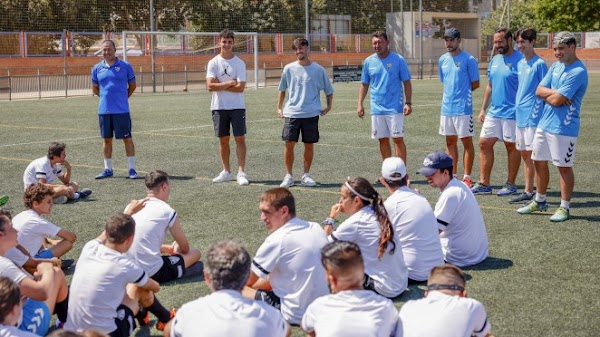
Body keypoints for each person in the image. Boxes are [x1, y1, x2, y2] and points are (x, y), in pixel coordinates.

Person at [518, 31, 588, 222]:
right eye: (555, 49)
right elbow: (538, 90)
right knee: (539, 162)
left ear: (572, 47)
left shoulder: (578, 71)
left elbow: (557, 101)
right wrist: (556, 92)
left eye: (561, 49)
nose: (557, 53)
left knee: (563, 167)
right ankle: (540, 200)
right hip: (544, 124)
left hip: (564, 128)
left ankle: (564, 207)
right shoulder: (555, 66)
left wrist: (552, 95)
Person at [65, 206, 164, 337]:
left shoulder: (89, 247)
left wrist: (127, 212)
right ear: (129, 240)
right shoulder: (124, 265)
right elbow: (155, 287)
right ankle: (167, 319)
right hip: (106, 334)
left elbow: (103, 235)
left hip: (70, 332)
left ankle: (143, 315)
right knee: (138, 286)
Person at [164, 240, 289, 337]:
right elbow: (286, 330)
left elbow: (168, 330)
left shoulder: (188, 312)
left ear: (207, 277)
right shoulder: (269, 314)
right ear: (246, 277)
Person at [243, 188, 329, 325]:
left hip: (296, 313)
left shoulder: (277, 240)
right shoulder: (315, 227)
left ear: (284, 211)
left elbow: (245, 281)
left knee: (234, 288)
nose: (262, 218)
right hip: (325, 309)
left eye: (266, 212)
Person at [126, 170, 200, 330]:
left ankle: (143, 312)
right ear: (164, 186)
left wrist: (166, 248)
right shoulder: (167, 210)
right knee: (196, 254)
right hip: (152, 271)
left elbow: (136, 240)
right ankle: (158, 316)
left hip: (128, 269)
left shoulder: (131, 207)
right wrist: (175, 248)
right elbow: (185, 248)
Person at [323, 177, 407, 298]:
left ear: (357, 201)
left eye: (343, 197)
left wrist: (331, 219)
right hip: (400, 283)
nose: (340, 201)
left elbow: (323, 245)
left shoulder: (356, 222)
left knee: (332, 264)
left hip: (383, 288)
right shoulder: (380, 213)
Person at [301, 240, 399, 337]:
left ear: (332, 279)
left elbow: (308, 329)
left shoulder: (318, 307)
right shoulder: (385, 306)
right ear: (363, 272)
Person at [0, 208, 70, 336]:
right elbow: (41, 293)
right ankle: (67, 325)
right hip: (19, 328)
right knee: (56, 275)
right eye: (11, 228)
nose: (16, 231)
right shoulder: (3, 265)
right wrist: (47, 269)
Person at [472, 28, 523, 196]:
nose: (497, 45)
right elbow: (490, 85)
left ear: (510, 40)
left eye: (500, 41)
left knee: (511, 147)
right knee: (484, 143)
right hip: (494, 112)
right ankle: (484, 184)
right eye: (495, 42)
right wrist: (482, 109)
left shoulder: (521, 60)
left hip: (513, 113)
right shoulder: (494, 60)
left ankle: (511, 184)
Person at [277, 38, 334, 187]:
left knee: (309, 145)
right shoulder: (288, 68)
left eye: (301, 48)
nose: (298, 52)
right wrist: (279, 107)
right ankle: (289, 176)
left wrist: (328, 106)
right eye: (296, 49)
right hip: (292, 113)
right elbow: (282, 89)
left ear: (307, 49)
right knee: (289, 144)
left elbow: (329, 90)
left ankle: (306, 175)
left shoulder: (318, 70)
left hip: (311, 114)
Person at [417, 151, 488, 267]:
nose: (427, 177)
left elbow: (431, 233)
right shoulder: (459, 185)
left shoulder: (450, 194)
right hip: (476, 254)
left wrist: (416, 203)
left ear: (445, 173)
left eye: (431, 173)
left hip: (458, 257)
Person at [379, 157, 444, 282]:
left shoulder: (389, 206)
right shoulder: (421, 198)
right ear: (407, 177)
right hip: (438, 269)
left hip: (413, 274)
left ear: (383, 181)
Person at [357, 30, 412, 163]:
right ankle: (388, 172)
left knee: (398, 139)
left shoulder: (398, 60)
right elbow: (364, 84)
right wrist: (360, 104)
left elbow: (407, 82)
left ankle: (401, 172)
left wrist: (408, 103)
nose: (377, 45)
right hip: (377, 108)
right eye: (374, 43)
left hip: (395, 108)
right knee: (382, 140)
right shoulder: (369, 62)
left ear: (387, 42)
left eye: (380, 42)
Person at [396, 264, 492, 337]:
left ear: (426, 293)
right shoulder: (471, 306)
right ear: (464, 294)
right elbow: (485, 335)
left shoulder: (408, 308)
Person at [92, 39, 141, 180]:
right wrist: (106, 98)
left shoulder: (125, 66)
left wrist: (123, 98)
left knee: (127, 139)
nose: (106, 52)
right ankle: (108, 169)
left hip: (121, 111)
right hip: (104, 111)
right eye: (104, 50)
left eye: (109, 49)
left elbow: (132, 85)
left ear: (115, 50)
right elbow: (95, 88)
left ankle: (132, 170)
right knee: (107, 140)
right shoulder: (97, 68)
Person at [438, 28, 480, 188]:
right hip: (446, 109)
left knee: (466, 142)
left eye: (451, 40)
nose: (448, 43)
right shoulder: (442, 59)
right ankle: (453, 174)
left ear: (458, 40)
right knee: (450, 141)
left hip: (463, 109)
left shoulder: (469, 59)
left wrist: (463, 95)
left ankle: (467, 177)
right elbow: (446, 82)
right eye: (446, 40)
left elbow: (475, 83)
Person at [207, 29, 249, 186]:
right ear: (219, 42)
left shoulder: (239, 63)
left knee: (240, 138)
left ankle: (241, 172)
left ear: (233, 43)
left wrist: (220, 84)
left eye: (229, 42)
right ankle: (226, 171)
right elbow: (210, 86)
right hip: (219, 107)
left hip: (237, 107)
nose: (226, 44)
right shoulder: (213, 62)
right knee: (223, 140)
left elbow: (240, 88)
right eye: (224, 41)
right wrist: (229, 82)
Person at [510, 28, 548, 204]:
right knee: (525, 154)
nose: (519, 45)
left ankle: (539, 195)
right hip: (520, 116)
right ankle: (528, 190)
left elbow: (546, 91)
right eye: (518, 42)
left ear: (532, 41)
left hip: (534, 116)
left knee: (536, 156)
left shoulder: (539, 64)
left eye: (522, 42)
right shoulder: (520, 63)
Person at [5, 183, 76, 271]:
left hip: (14, 260)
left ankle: (49, 259)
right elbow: (72, 237)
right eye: (48, 202)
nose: (52, 205)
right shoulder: (37, 221)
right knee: (68, 243)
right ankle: (49, 263)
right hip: (28, 263)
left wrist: (51, 241)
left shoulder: (22, 215)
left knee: (40, 235)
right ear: (35, 204)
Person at [22, 142, 92, 204]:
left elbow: (65, 181)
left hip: (45, 190)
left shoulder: (56, 164)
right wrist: (62, 187)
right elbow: (42, 185)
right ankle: (77, 195)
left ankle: (56, 198)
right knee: (63, 189)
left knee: (74, 184)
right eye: (63, 154)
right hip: (34, 194)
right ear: (55, 156)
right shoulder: (42, 164)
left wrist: (69, 169)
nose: (65, 156)